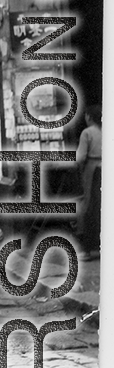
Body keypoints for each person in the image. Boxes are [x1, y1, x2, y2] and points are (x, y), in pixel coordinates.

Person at [76, 104, 102, 261]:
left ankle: (88, 249)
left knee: (88, 207)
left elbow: (80, 157)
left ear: (89, 117)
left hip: (92, 170)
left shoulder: (87, 133)